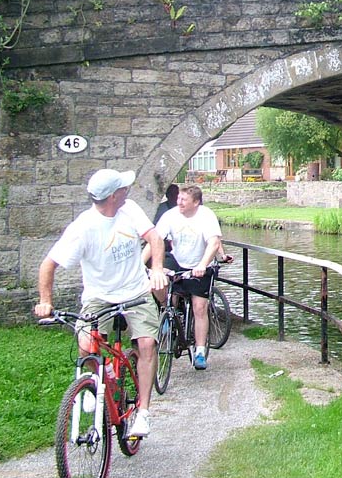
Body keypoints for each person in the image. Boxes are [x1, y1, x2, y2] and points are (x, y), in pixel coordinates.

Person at [34, 169, 168, 438]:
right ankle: (98, 380)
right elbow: (48, 264)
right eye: (123, 188)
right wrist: (45, 302)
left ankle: (143, 413)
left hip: (136, 292)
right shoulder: (83, 228)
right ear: (112, 196)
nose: (127, 190)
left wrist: (157, 268)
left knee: (145, 344)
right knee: (86, 345)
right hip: (99, 296)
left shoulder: (129, 209)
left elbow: (154, 238)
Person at [148, 184, 224, 371]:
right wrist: (143, 266)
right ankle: (167, 311)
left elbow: (213, 242)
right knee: (157, 283)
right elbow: (155, 240)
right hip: (178, 260)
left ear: (196, 202)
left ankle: (199, 351)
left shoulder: (206, 216)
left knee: (199, 308)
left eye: (183, 200)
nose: (179, 202)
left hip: (199, 263)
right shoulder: (170, 215)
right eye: (178, 199)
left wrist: (202, 265)